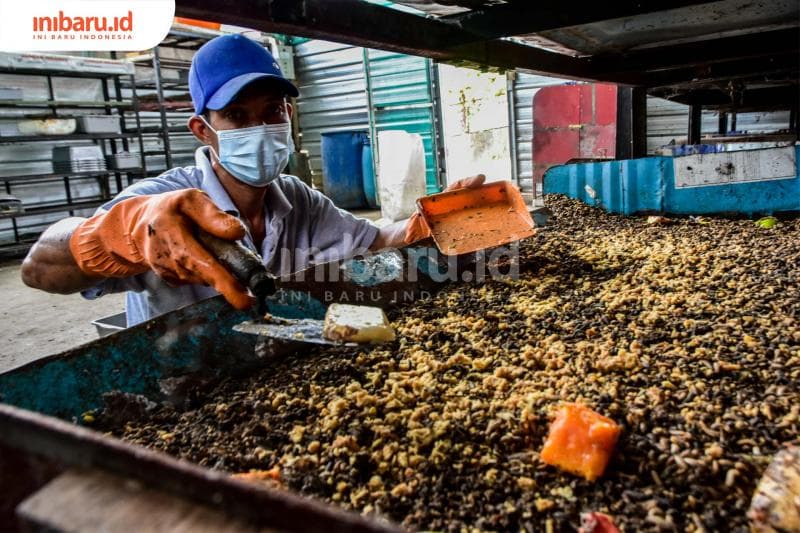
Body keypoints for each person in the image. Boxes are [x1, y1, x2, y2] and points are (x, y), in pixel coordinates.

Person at [21, 34, 484, 326]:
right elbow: (39, 267)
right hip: (188, 380)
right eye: (237, 117)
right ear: (203, 129)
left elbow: (371, 239)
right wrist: (111, 236)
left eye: (270, 112)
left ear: (288, 115)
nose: (259, 130)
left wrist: (425, 223)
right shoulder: (158, 204)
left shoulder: (296, 198)